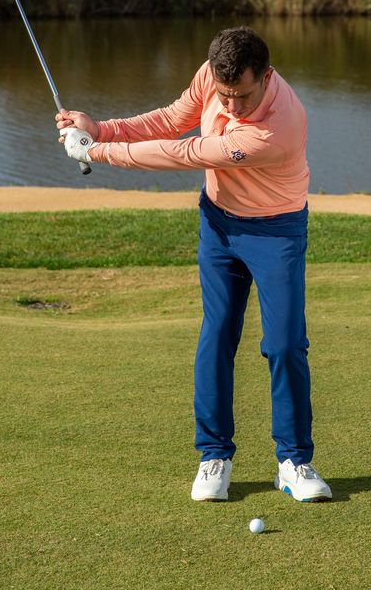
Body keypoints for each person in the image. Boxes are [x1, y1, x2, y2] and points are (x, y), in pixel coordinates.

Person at [54, 26, 331, 503]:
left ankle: (293, 462)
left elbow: (184, 152)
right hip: (219, 226)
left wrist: (96, 151)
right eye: (223, 95)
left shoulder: (275, 129)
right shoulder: (214, 75)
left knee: (285, 343)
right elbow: (170, 121)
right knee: (217, 334)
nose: (230, 106)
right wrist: (100, 129)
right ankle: (213, 456)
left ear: (266, 76)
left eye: (241, 97)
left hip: (276, 231)